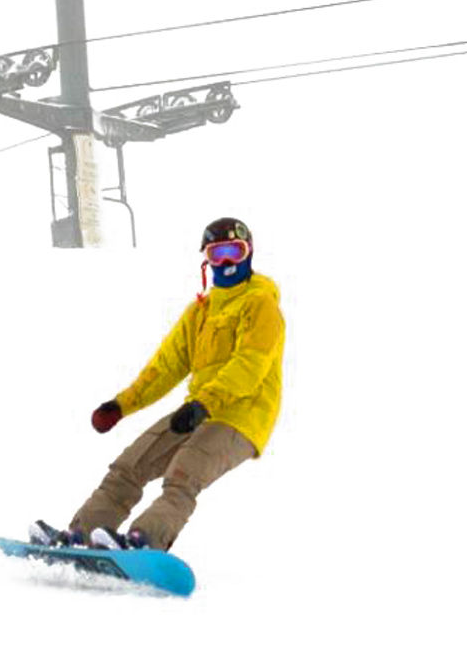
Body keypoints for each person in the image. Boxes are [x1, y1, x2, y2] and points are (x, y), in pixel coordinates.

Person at [29, 217, 285, 552]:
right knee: (127, 468)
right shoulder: (200, 312)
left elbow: (248, 367)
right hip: (198, 411)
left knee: (182, 476)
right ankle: (81, 536)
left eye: (233, 252)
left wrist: (203, 405)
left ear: (248, 254)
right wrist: (121, 405)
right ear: (205, 258)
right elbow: (164, 367)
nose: (225, 262)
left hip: (241, 416)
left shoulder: (261, 305)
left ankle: (144, 542)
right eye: (217, 253)